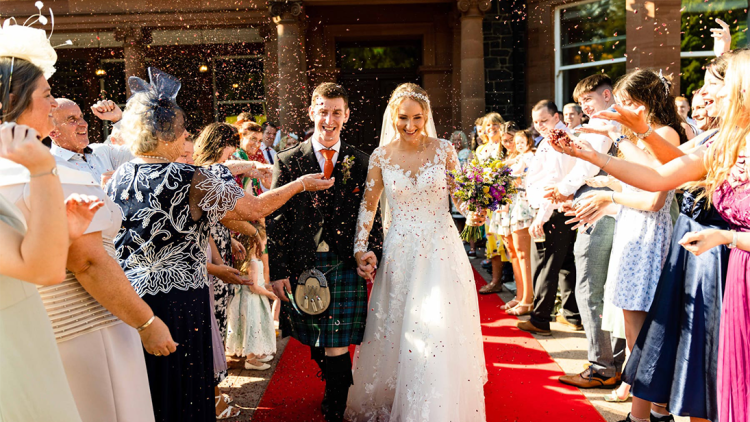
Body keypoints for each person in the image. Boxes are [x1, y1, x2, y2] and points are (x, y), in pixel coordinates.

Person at [107, 67, 333, 422]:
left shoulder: (121, 175)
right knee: (185, 385)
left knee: (149, 386)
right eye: (184, 132)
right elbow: (255, 208)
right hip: (181, 301)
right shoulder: (194, 177)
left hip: (132, 301)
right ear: (169, 136)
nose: (188, 139)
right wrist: (299, 185)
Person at [552, 49, 750, 422]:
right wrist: (595, 154)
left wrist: (728, 240)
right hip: (726, 264)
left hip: (727, 257)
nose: (708, 95)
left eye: (718, 87)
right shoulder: (723, 142)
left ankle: (648, 411)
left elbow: (658, 185)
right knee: (713, 369)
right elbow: (663, 172)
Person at [0, 27, 179, 422]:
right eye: (47, 96)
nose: (53, 106)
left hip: (35, 336)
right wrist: (146, 321)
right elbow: (88, 262)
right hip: (91, 325)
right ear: (16, 101)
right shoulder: (53, 174)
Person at [346, 82, 486, 421]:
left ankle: (435, 402)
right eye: (403, 118)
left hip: (441, 248)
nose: (410, 126)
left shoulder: (445, 150)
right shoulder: (380, 156)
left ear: (428, 116)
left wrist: (475, 210)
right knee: (398, 324)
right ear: (392, 116)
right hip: (400, 249)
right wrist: (359, 249)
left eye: (417, 118)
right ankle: (395, 395)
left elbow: (463, 196)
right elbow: (369, 206)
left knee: (437, 322)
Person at [267, 82, 384, 422]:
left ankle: (335, 403)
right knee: (317, 339)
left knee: (337, 340)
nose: (329, 120)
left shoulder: (362, 161)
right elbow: (277, 218)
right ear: (311, 113)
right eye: (323, 111)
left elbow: (372, 214)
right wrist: (278, 269)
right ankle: (330, 376)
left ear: (346, 115)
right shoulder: (289, 160)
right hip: (304, 261)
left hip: (344, 261)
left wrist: (373, 251)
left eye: (336, 112)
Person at [0, 118, 91, 422]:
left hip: (24, 334)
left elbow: (23, 261)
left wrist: (62, 236)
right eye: (47, 94)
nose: (53, 105)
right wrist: (42, 169)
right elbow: (45, 272)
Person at [552, 74, 627, 389]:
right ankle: (614, 363)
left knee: (589, 289)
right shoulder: (619, 123)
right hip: (613, 211)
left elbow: (587, 167)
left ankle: (602, 366)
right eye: (581, 103)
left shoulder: (608, 124)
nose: (584, 108)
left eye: (588, 101)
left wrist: (563, 189)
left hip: (602, 213)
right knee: (611, 294)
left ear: (607, 95)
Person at [517, 99, 580, 336]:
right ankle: (572, 315)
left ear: (557, 117)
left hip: (553, 211)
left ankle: (541, 318)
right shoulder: (554, 137)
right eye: (535, 122)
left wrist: (540, 217)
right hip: (554, 210)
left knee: (546, 264)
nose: (539, 125)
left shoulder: (559, 139)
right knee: (563, 264)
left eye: (544, 120)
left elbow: (555, 181)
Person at [49, 98, 133, 185]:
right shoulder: (51, 169)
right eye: (72, 119)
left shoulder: (103, 152)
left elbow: (143, 152)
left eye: (81, 117)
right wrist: (105, 191)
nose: (84, 124)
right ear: (53, 132)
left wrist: (119, 119)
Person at [504, 129, 536, 316]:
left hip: (525, 205)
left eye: (522, 140)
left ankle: (528, 299)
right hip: (516, 205)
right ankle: (521, 295)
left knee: (523, 253)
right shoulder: (519, 157)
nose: (519, 144)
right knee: (515, 252)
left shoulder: (531, 157)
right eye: (516, 141)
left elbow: (515, 174)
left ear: (529, 141)